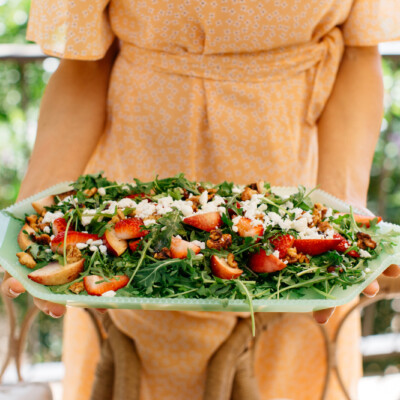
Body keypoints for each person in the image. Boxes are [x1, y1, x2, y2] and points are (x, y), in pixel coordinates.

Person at [2, 0, 400, 399]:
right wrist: (38, 215)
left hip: (293, 212)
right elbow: (85, 62)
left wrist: (341, 210)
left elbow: (357, 51)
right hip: (133, 223)